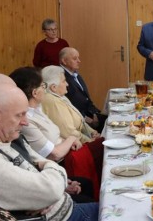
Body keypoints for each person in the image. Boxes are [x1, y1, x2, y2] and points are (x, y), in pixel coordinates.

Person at [0, 83, 99, 221]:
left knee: (124, 212)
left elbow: (47, 165)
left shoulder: (11, 137)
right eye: (20, 115)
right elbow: (50, 186)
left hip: (71, 212)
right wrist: (48, 184)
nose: (25, 122)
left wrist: (48, 181)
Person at [9, 66, 98, 202]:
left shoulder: (37, 109)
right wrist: (71, 139)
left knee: (90, 180)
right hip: (60, 162)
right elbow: (53, 153)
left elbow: (56, 134)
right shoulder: (27, 120)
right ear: (34, 92)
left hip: (62, 160)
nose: (45, 89)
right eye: (43, 85)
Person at [59, 47, 107, 131]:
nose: (79, 61)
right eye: (74, 58)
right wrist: (88, 119)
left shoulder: (75, 74)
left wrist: (95, 113)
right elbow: (68, 105)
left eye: (78, 58)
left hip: (90, 113)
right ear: (64, 61)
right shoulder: (62, 78)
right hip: (81, 120)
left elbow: (86, 98)